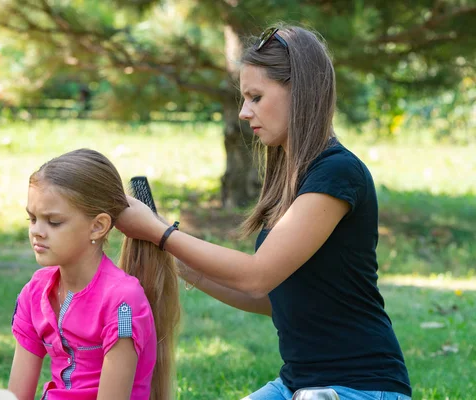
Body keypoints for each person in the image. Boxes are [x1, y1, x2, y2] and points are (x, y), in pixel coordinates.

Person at [116, 25, 412, 400]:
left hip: (359, 386)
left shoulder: (337, 173)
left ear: (301, 92)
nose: (244, 112)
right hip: (297, 384)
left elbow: (257, 277)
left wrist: (163, 233)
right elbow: (273, 299)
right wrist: (177, 261)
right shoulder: (295, 177)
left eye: (256, 97)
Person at [8, 149, 180, 400]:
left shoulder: (122, 301)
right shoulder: (34, 293)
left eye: (53, 222)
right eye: (32, 219)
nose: (37, 231)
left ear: (98, 226)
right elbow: (16, 396)